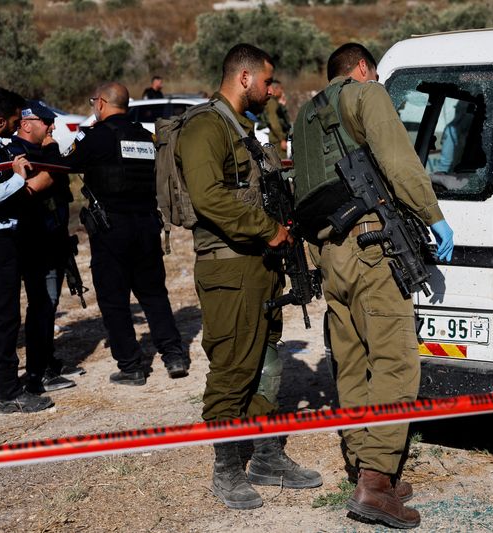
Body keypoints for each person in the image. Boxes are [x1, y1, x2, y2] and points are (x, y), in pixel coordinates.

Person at [291, 43, 454, 529]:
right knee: (394, 360)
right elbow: (400, 161)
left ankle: (364, 461)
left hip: (329, 252)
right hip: (370, 248)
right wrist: (434, 216)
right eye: (374, 73)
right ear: (362, 68)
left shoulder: (304, 115)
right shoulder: (366, 94)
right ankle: (377, 484)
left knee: (353, 361)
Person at [175, 43, 321, 511]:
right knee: (234, 367)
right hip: (228, 268)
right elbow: (208, 197)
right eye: (265, 81)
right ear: (244, 78)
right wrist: (268, 229)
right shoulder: (204, 127)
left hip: (259, 265)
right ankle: (227, 469)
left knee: (267, 361)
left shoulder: (244, 130)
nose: (270, 88)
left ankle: (266, 455)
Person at [63, 82, 188, 386]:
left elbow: (66, 164)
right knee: (154, 293)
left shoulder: (94, 138)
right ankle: (173, 355)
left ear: (102, 103)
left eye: (95, 102)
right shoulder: (145, 137)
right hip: (146, 225)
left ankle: (131, 366)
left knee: (114, 299)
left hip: (111, 229)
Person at [7, 100, 84, 394]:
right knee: (42, 306)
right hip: (33, 244)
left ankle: (47, 361)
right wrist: (53, 154)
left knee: (48, 306)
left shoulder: (42, 149)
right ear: (27, 124)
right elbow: (44, 179)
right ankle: (38, 374)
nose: (52, 127)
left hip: (54, 239)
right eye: (46, 122)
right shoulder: (17, 152)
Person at [0, 87, 54, 413]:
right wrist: (18, 179)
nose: (18, 127)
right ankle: (8, 391)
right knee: (4, 318)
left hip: (5, 240)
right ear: (1, 121)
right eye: (15, 121)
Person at [258, 80, 291, 157]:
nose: (282, 91)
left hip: (277, 140)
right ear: (275, 89)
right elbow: (274, 122)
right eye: (281, 88)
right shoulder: (272, 103)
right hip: (277, 141)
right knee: (280, 164)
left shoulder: (275, 102)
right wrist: (281, 139)